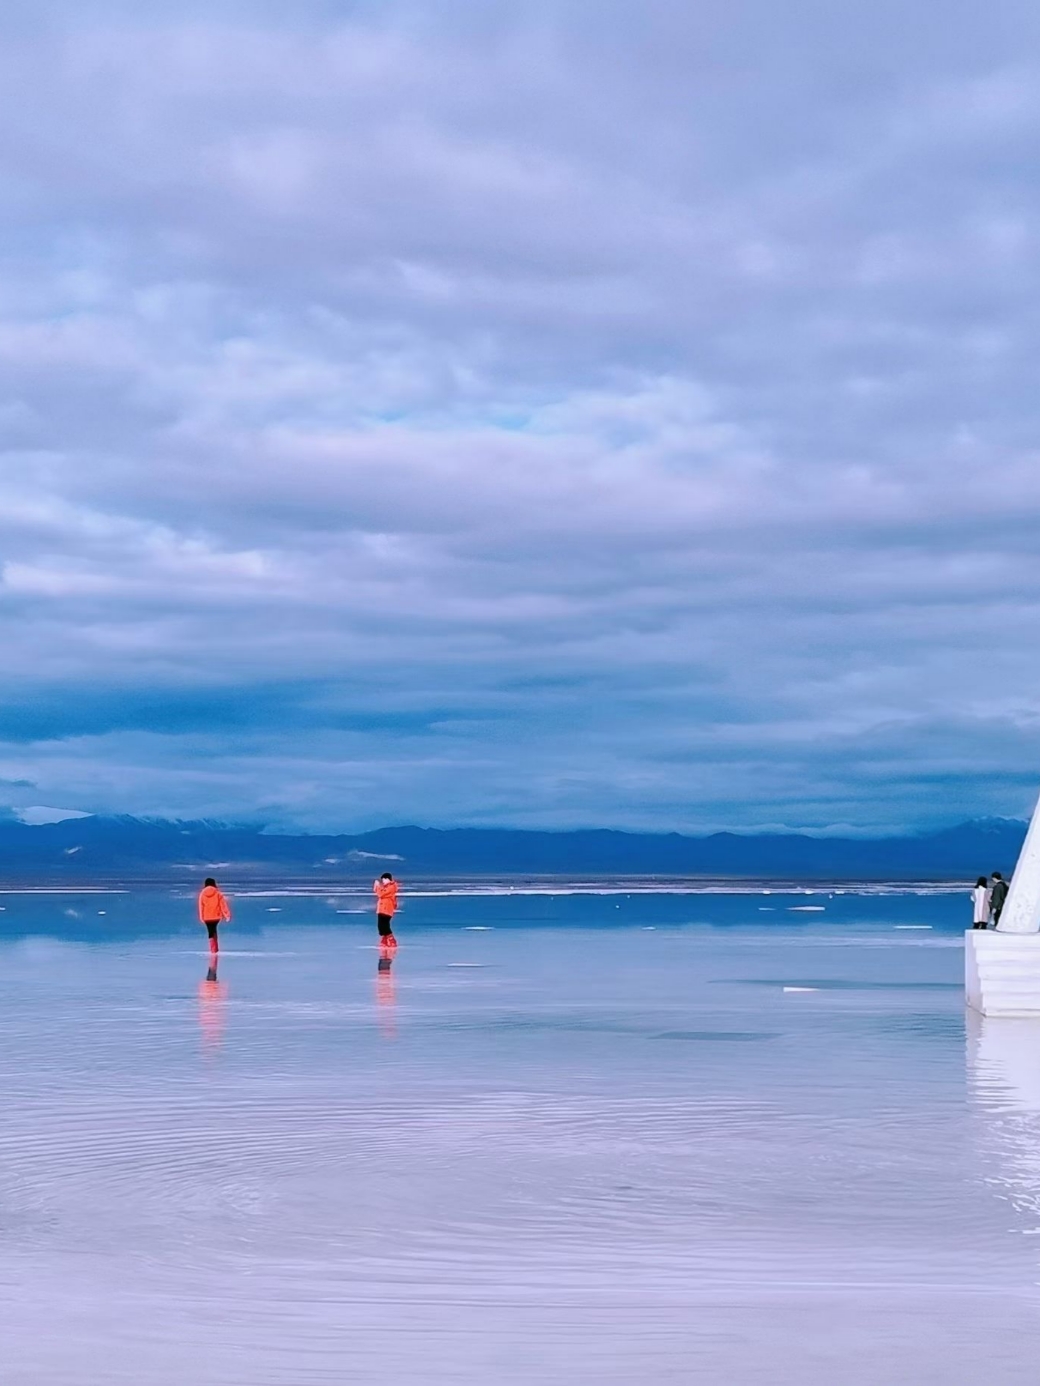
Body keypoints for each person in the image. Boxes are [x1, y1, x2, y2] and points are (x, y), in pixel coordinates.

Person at [198, 876, 231, 956]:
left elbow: (201, 906)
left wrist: (201, 917)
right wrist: (227, 915)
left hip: (207, 917)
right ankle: (215, 949)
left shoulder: (202, 894)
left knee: (210, 932)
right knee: (214, 930)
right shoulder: (218, 893)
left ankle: (213, 949)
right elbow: (223, 905)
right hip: (216, 916)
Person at [373, 872, 399, 949]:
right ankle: (384, 940)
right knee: (380, 926)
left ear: (388, 879)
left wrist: (378, 886)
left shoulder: (391, 887)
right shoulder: (385, 887)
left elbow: (381, 894)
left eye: (383, 880)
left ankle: (391, 940)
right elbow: (378, 892)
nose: (383, 881)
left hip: (387, 909)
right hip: (381, 909)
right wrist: (376, 886)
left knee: (385, 925)